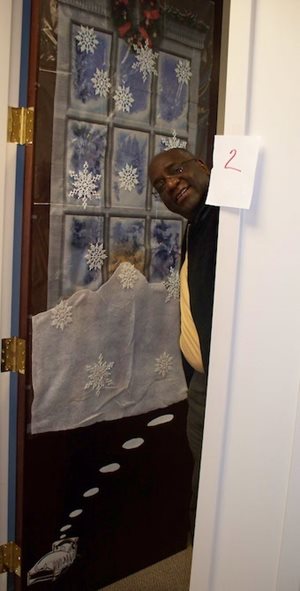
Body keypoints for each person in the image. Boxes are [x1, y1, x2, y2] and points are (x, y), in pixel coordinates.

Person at [148, 147, 219, 539]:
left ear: (202, 166)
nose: (171, 184)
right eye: (160, 185)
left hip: (225, 389)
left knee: (213, 494)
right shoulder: (198, 224)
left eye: (176, 170)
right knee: (204, 485)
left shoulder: (225, 218)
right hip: (202, 384)